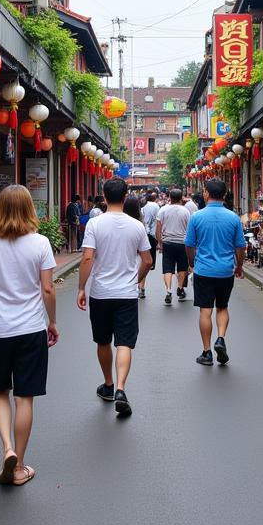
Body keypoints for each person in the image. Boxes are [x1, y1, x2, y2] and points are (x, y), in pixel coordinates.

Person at [0, 184, 59, 487]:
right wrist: (52, 322)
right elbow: (48, 289)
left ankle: (6, 447)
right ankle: (19, 464)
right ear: (28, 208)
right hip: (31, 328)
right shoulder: (41, 243)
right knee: (25, 397)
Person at [77, 177, 152, 417]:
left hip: (101, 293)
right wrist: (136, 279)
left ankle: (108, 384)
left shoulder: (95, 224)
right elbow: (148, 260)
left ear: (104, 195)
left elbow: (88, 258)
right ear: (127, 194)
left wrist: (81, 287)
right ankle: (121, 388)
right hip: (126, 295)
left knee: (103, 341)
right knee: (125, 342)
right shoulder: (137, 226)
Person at [185, 177, 245, 367]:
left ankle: (207, 352)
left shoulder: (196, 217)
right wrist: (239, 266)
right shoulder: (233, 218)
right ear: (225, 195)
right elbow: (240, 247)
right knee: (222, 307)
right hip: (225, 271)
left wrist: (191, 263)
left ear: (206, 194)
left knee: (205, 311)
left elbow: (189, 245)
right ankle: (221, 338)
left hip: (203, 269)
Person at [156, 188, 191, 304]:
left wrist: (160, 242)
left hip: (168, 242)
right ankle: (180, 288)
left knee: (167, 267)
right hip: (182, 243)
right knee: (182, 266)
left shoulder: (163, 210)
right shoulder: (186, 211)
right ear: (181, 198)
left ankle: (168, 290)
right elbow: (189, 229)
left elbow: (158, 228)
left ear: (169, 197)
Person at [140, 192, 160, 294]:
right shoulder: (156, 206)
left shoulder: (142, 207)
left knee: (139, 261)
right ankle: (141, 286)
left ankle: (140, 287)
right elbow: (159, 221)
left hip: (141, 234)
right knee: (147, 261)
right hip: (152, 235)